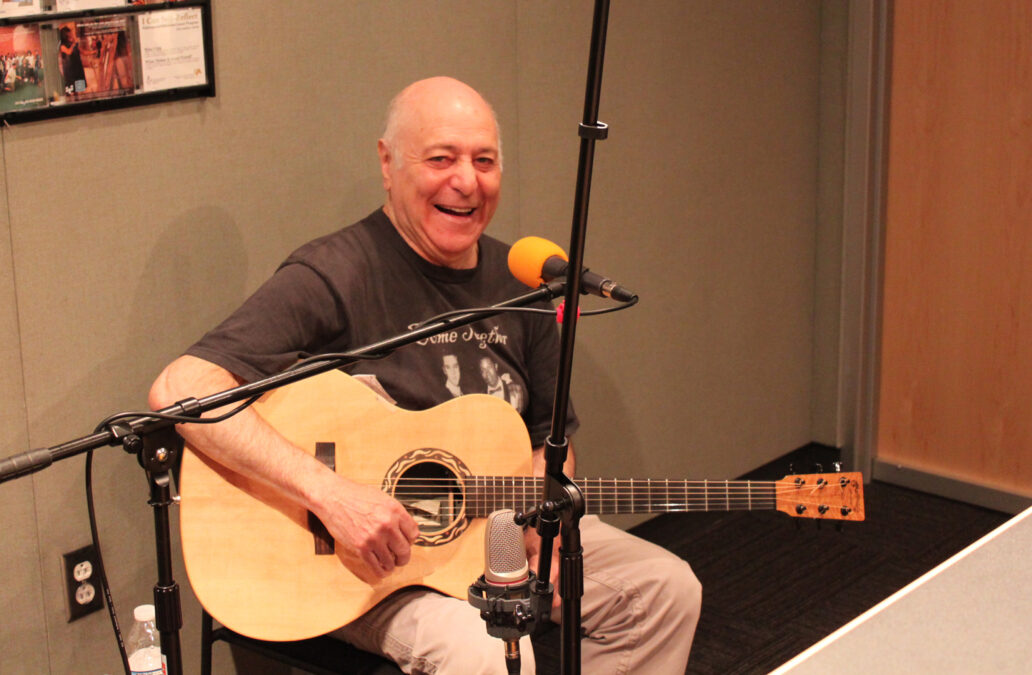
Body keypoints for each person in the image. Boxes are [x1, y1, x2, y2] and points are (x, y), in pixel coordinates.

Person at [149, 76, 700, 674]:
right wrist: (331, 495)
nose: (466, 181)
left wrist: (550, 512)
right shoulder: (338, 272)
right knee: (483, 650)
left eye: (484, 161)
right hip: (368, 566)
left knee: (664, 591)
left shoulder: (524, 284)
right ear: (387, 164)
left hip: (498, 539)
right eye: (441, 158)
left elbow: (552, 437)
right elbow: (181, 388)